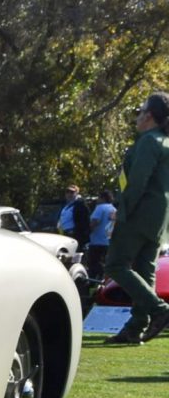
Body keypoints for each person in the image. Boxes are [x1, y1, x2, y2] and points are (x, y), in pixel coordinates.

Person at [102, 93, 169, 345]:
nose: (138, 116)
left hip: (139, 213)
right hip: (160, 217)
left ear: (149, 115)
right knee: (145, 270)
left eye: (140, 111)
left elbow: (138, 180)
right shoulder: (165, 142)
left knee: (116, 266)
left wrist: (123, 210)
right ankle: (136, 327)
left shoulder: (149, 141)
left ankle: (158, 309)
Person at [85, 190, 116, 279]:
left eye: (99, 197)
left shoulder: (100, 207)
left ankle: (92, 284)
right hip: (109, 241)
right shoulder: (113, 209)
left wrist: (87, 232)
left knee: (94, 264)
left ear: (103, 198)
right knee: (105, 263)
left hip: (97, 241)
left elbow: (95, 221)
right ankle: (104, 281)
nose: (97, 200)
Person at [57, 184, 91, 253]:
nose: (69, 194)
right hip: (64, 234)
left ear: (76, 193)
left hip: (74, 235)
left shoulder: (80, 205)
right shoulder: (66, 206)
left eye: (72, 192)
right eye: (67, 192)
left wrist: (81, 236)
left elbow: (84, 222)